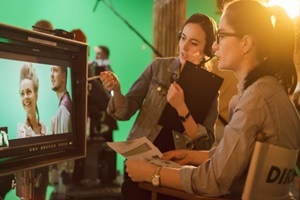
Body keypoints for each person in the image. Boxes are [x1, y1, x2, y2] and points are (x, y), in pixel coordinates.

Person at [124, 0, 300, 199]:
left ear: (246, 43)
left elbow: (213, 180)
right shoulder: (271, 91)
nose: (215, 46)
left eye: (222, 36)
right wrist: (193, 156)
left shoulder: (254, 101)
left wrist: (153, 173)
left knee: (134, 188)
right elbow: (236, 157)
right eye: (183, 38)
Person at [100, 13, 219, 199]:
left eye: (194, 43)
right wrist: (115, 90)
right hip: (139, 162)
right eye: (183, 38)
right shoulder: (158, 67)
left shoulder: (209, 88)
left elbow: (205, 144)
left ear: (207, 52)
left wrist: (181, 108)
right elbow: (124, 111)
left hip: (174, 175)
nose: (184, 47)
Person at [17, 63, 48, 200]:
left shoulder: (45, 127)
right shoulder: (22, 131)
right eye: (22, 93)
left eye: (28, 92)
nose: (25, 97)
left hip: (43, 190)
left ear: (36, 95)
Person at [49, 64, 73, 199]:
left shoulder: (64, 111)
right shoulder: (63, 107)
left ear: (63, 77)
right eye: (50, 71)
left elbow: (64, 160)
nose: (51, 75)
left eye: (55, 70)